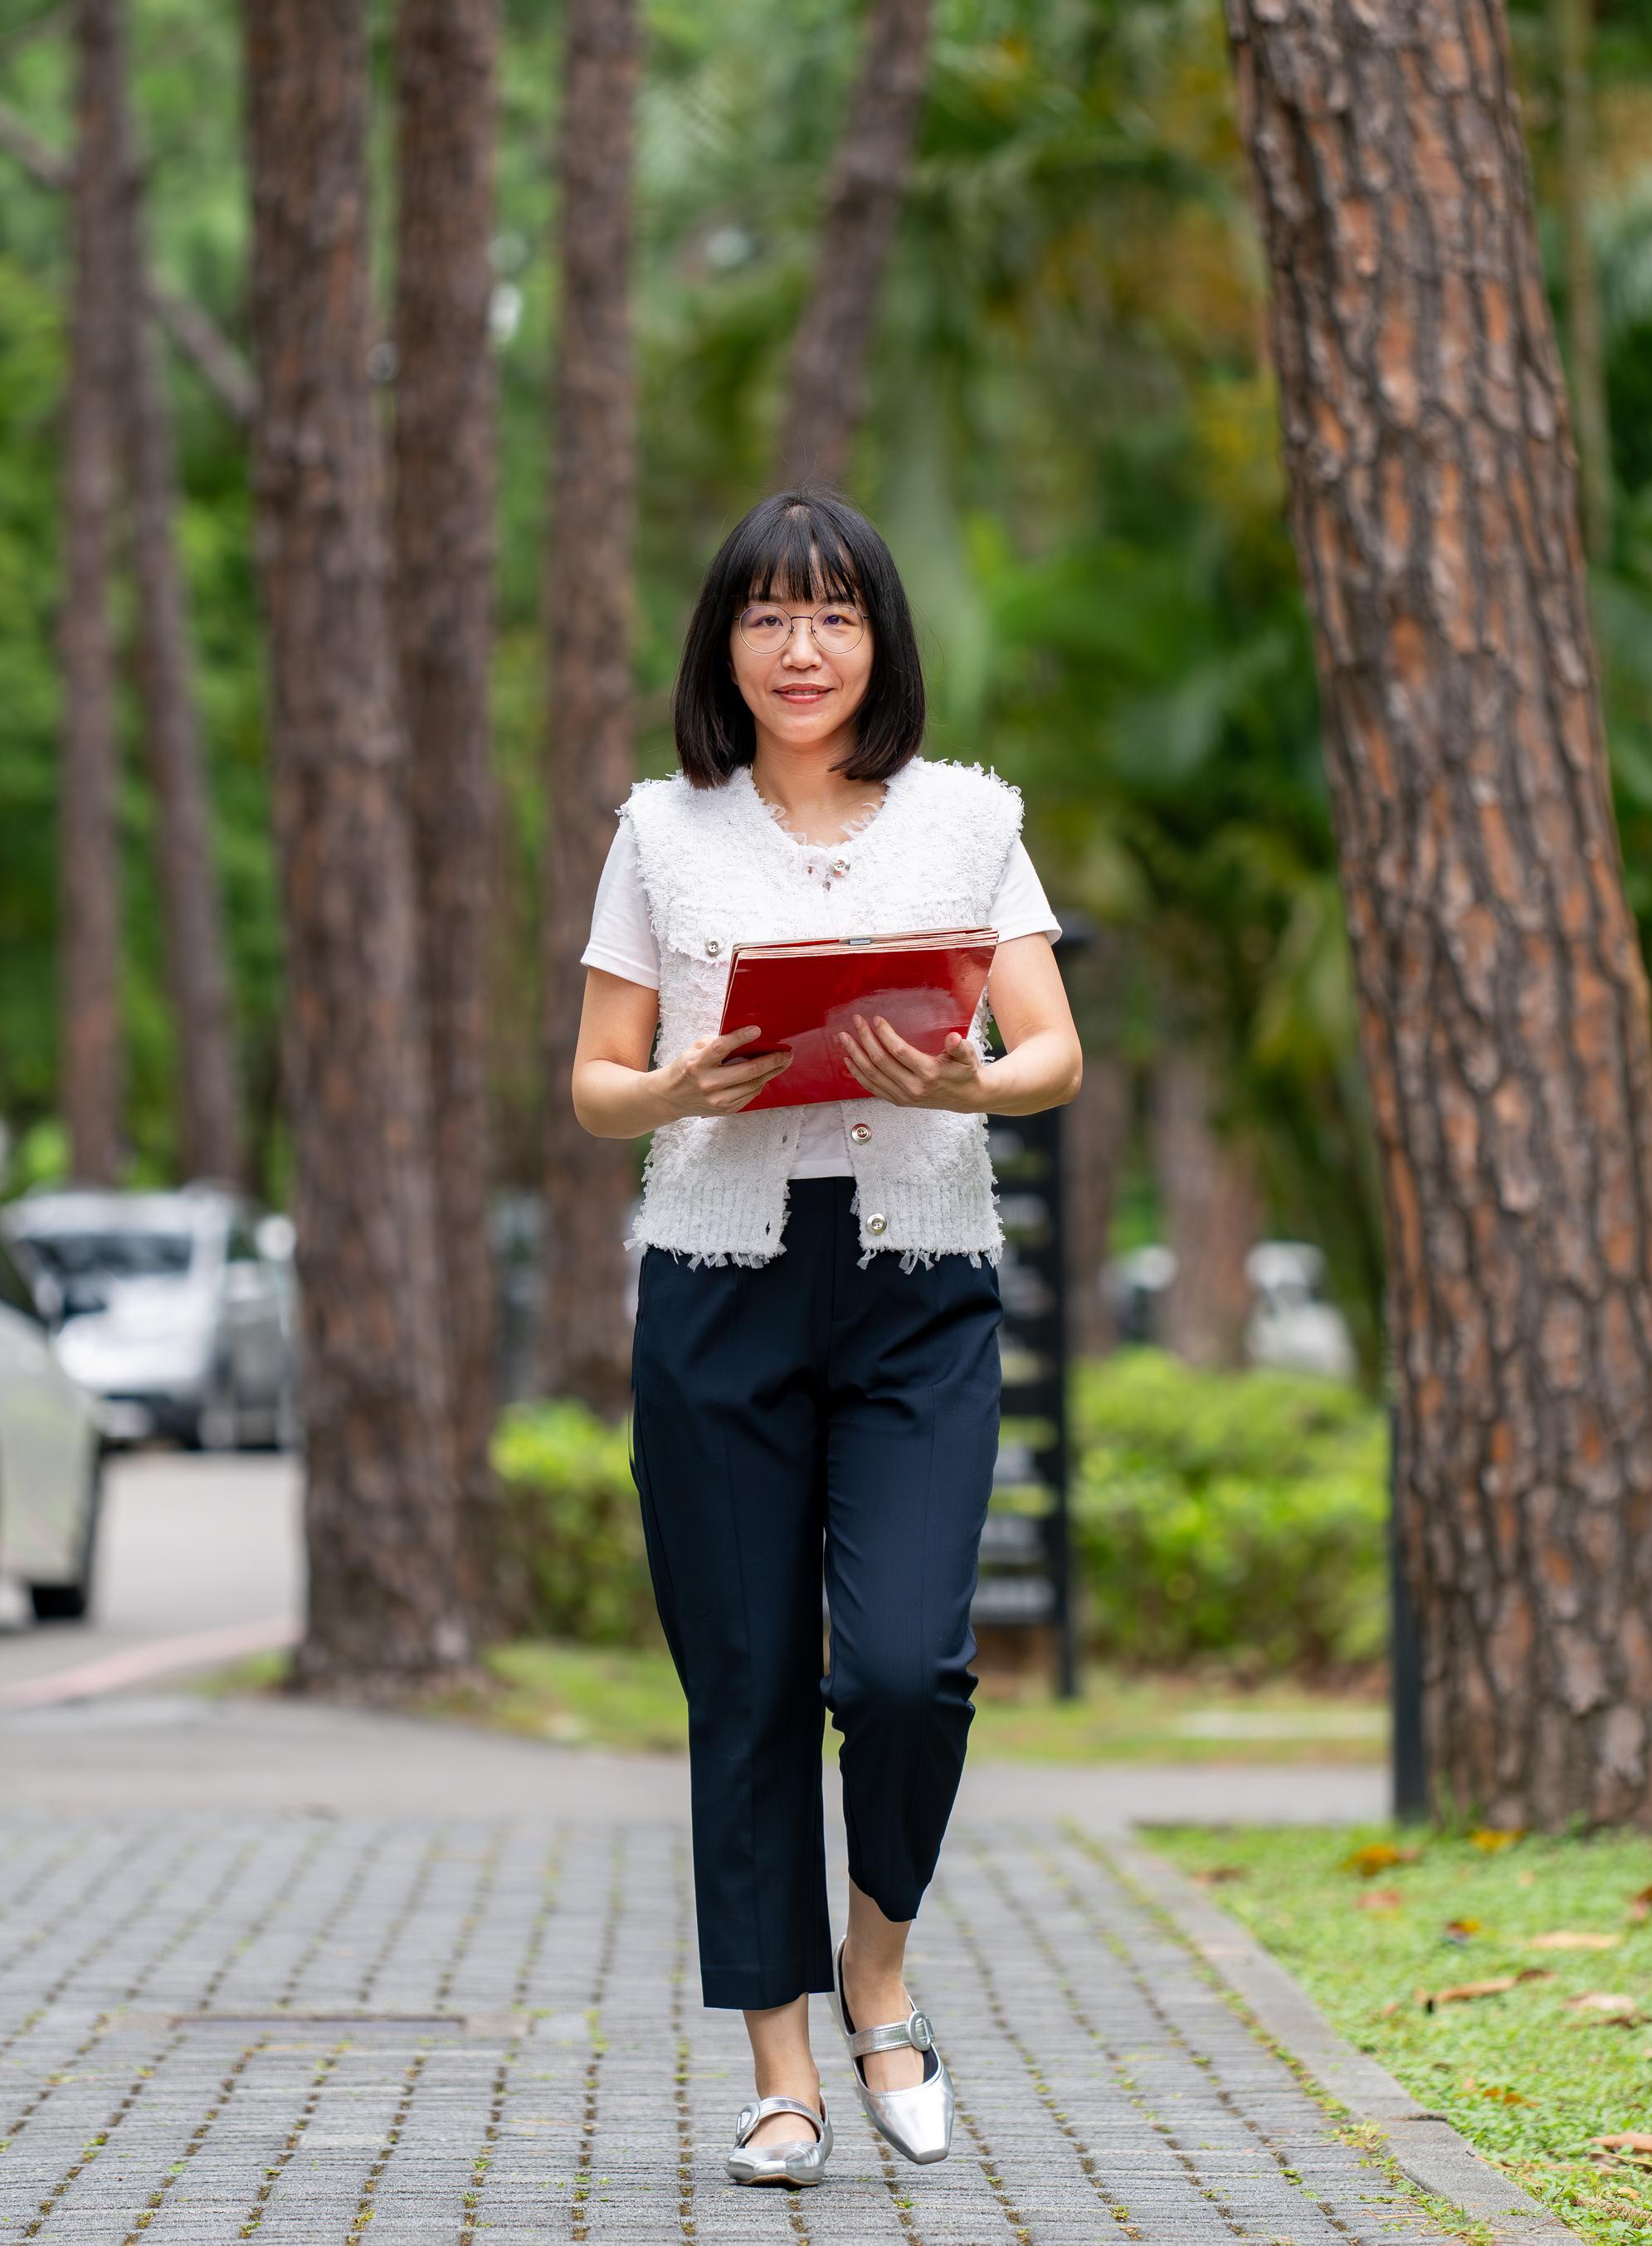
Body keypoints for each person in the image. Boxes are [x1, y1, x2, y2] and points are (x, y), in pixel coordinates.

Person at [572, 489, 1083, 2189]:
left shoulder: (966, 820)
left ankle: (881, 1966)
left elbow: (1050, 1050)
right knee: (746, 1691)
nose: (803, 649)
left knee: (902, 1673)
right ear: (723, 643)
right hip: (719, 1279)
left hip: (914, 1280)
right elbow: (595, 1082)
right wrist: (676, 1088)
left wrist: (969, 1080)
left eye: (836, 615)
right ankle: (784, 2073)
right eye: (768, 617)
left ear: (881, 639)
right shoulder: (660, 830)